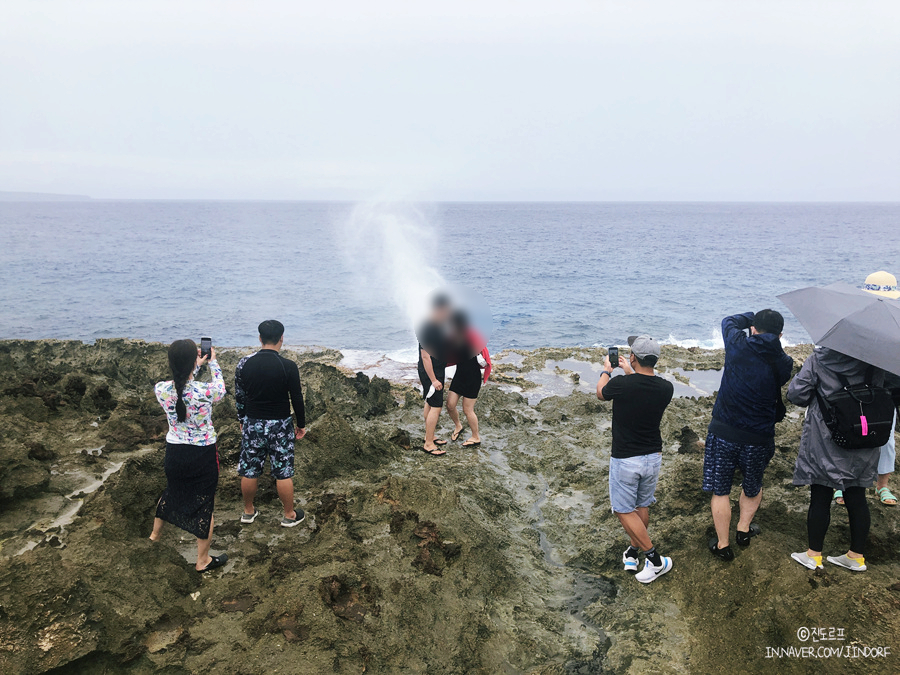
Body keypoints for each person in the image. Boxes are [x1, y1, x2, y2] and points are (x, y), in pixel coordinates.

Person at [703, 310, 793, 562]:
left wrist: (749, 317)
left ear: (753, 329)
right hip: (759, 436)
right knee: (753, 485)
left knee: (720, 491)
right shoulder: (784, 363)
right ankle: (743, 530)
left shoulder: (737, 345)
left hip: (724, 431)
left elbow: (728, 322)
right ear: (780, 335)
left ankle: (723, 545)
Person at [788, 348, 886, 572]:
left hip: (826, 437)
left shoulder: (819, 359)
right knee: (857, 494)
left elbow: (796, 395)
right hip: (864, 434)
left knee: (821, 493)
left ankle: (814, 554)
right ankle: (856, 556)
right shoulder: (876, 360)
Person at [597, 335, 674, 584]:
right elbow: (642, 387)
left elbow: (601, 393)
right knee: (642, 506)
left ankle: (654, 559)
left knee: (622, 510)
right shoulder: (666, 387)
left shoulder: (621, 384)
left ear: (632, 357)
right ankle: (633, 552)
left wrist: (606, 370)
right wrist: (630, 370)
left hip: (626, 459)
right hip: (653, 457)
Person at [150, 339, 228, 572]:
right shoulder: (205, 392)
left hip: (175, 452)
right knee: (204, 503)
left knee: (171, 492)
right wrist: (211, 363)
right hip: (202, 454)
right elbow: (220, 389)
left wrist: (194, 366)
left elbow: (182, 386)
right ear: (192, 361)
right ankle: (202, 560)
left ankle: (154, 537)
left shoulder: (161, 389)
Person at [234, 320, 307, 527]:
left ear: (259, 338)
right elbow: (297, 398)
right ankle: (289, 515)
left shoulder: (244, 364)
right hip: (280, 426)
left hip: (252, 423)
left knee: (249, 469)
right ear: (281, 338)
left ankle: (248, 512)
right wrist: (300, 424)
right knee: (283, 472)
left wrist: (242, 419)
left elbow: (240, 396)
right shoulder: (288, 366)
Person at [852, 270, 900, 507]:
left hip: (887, 391)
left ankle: (883, 485)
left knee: (886, 440)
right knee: (850, 435)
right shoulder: (856, 319)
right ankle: (844, 484)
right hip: (856, 390)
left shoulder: (896, 321)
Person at [446, 310, 491, 448]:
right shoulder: (452, 337)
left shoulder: (472, 336)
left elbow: (484, 356)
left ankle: (475, 436)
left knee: (468, 410)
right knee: (450, 404)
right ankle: (458, 426)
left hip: (472, 377)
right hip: (459, 376)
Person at [417, 294, 452, 456]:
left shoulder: (438, 325)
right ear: (439, 309)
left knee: (430, 403)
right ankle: (429, 444)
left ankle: (428, 435)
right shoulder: (427, 328)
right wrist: (434, 380)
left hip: (437, 370)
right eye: (446, 311)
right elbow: (425, 356)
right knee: (436, 407)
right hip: (431, 372)